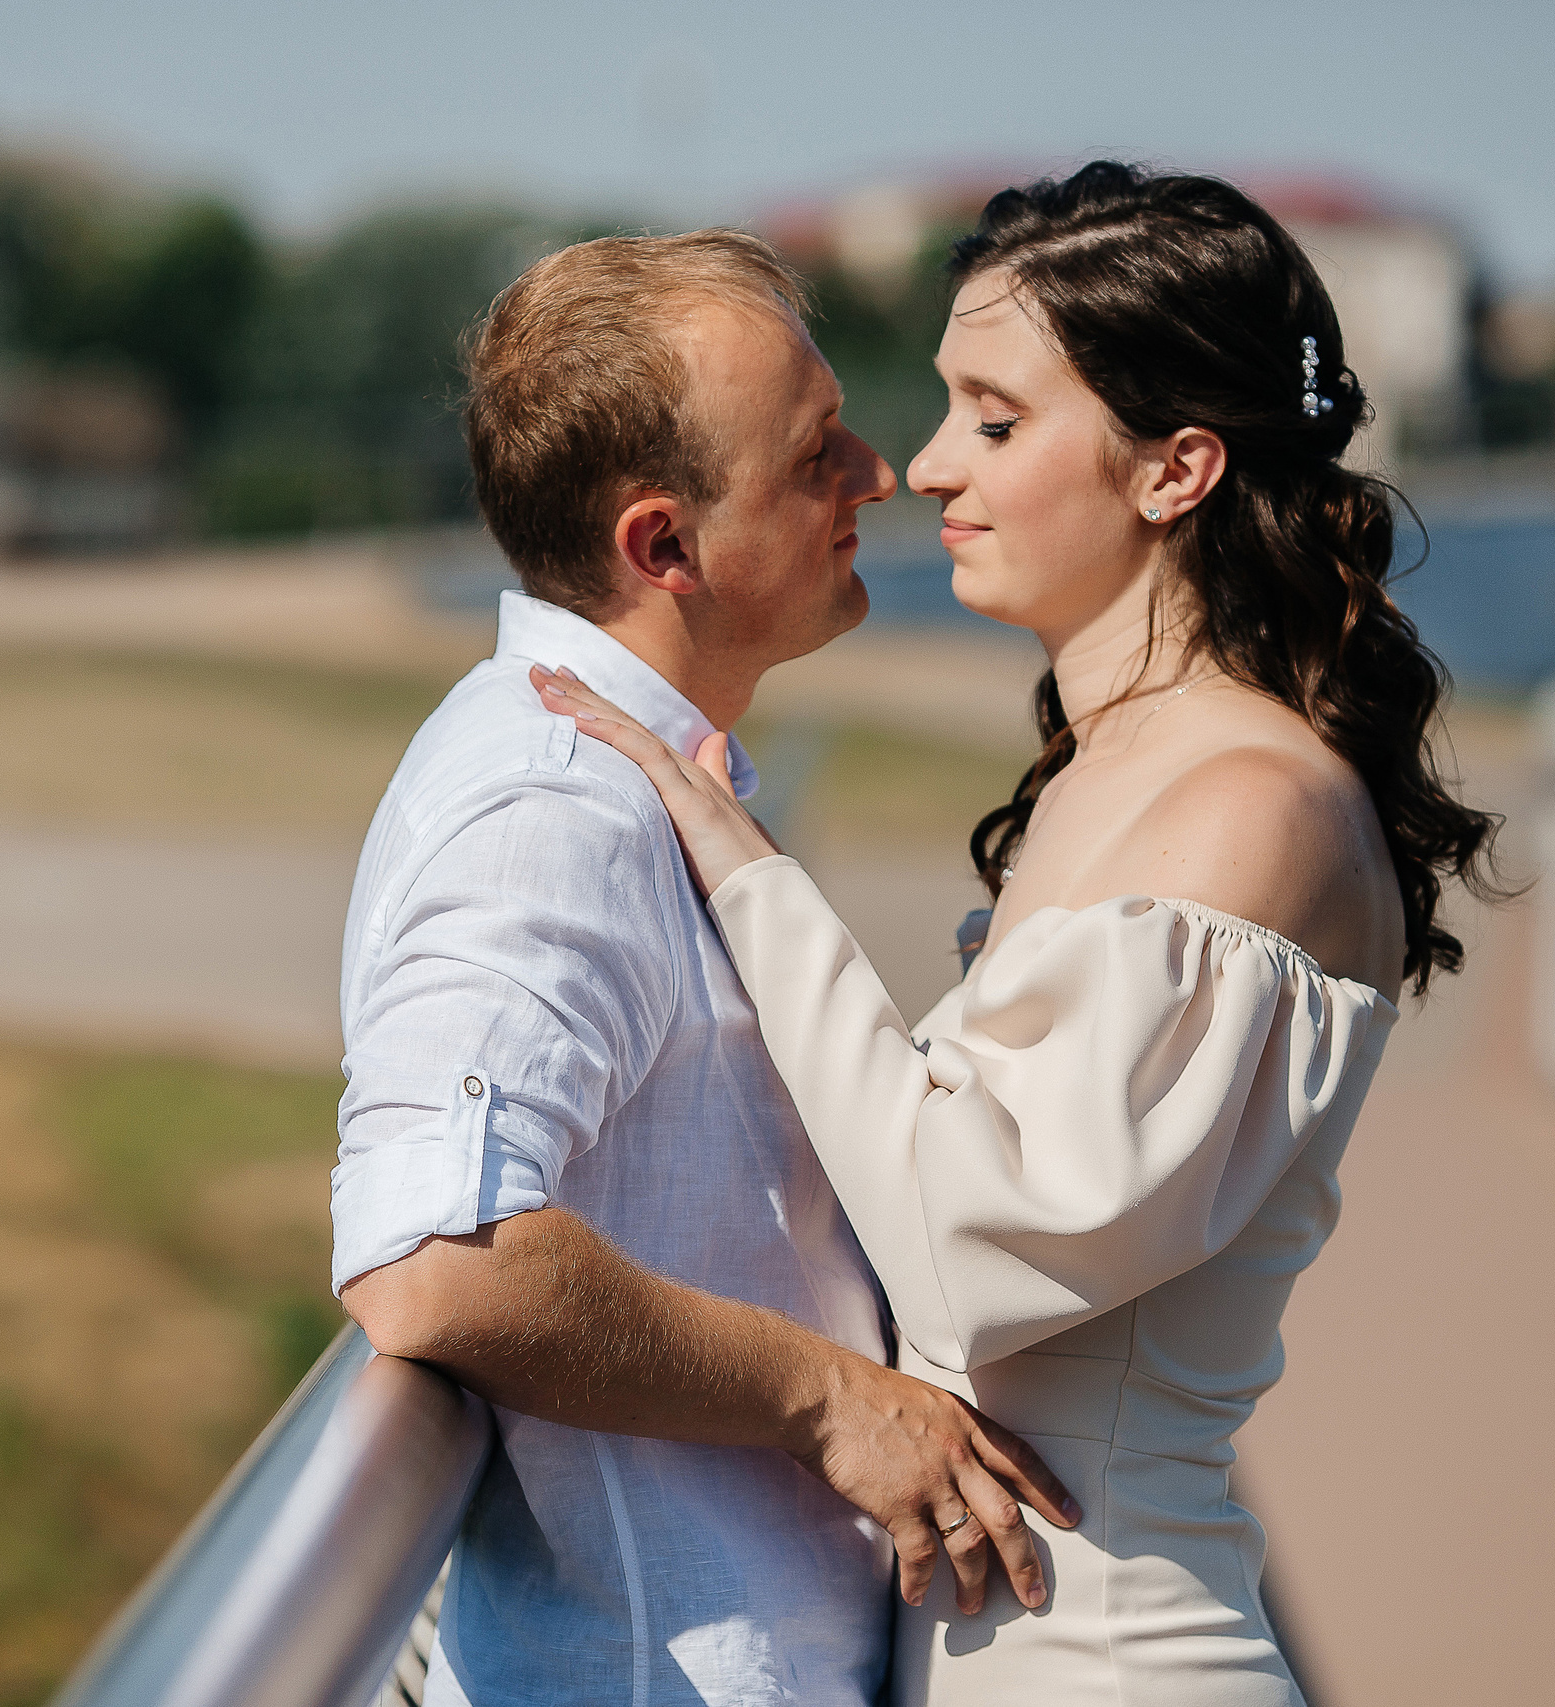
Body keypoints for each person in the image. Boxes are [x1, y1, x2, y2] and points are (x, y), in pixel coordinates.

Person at [534, 163, 1506, 1704]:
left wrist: (748, 877)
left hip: (1108, 1655)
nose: (922, 468)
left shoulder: (1247, 802)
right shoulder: (1112, 769)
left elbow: (971, 1246)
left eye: (994, 422)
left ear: (1174, 468)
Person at [330, 230, 1079, 1707]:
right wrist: (826, 1400)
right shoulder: (549, 801)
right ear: (664, 548)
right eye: (815, 458)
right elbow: (431, 1257)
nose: (883, 474)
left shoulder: (628, 775)